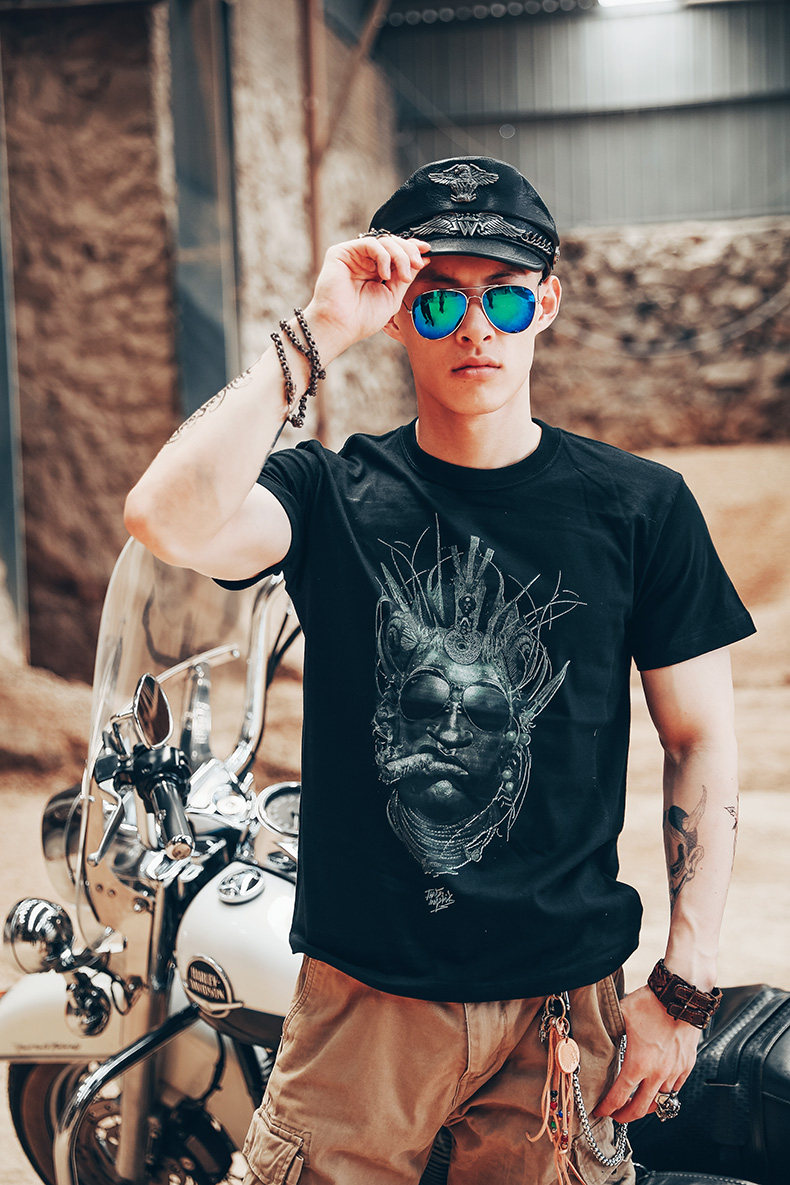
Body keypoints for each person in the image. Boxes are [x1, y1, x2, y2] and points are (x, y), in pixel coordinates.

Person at [125, 156, 756, 1185]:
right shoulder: (329, 494)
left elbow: (700, 739)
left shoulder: (640, 508)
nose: (474, 329)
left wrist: (684, 984)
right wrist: (318, 330)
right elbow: (166, 517)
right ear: (399, 317)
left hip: (560, 1010)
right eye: (437, 300)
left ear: (545, 305)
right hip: (363, 1005)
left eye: (503, 296)